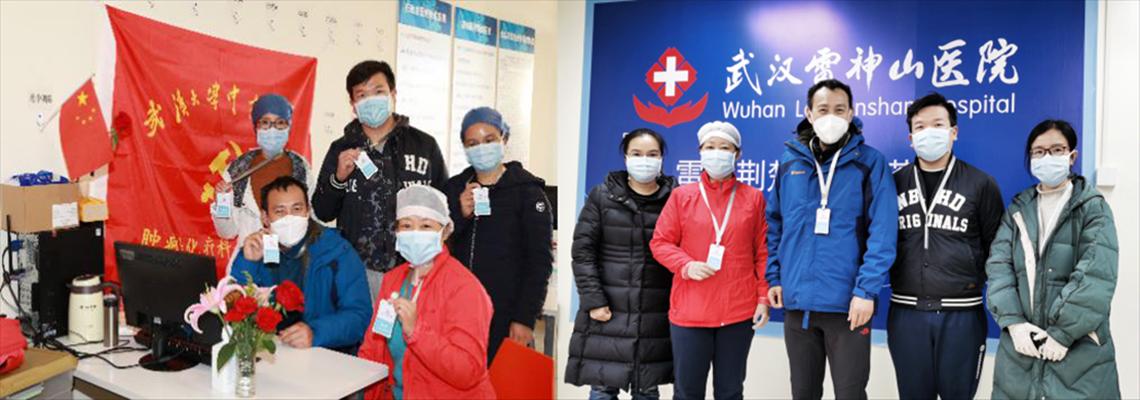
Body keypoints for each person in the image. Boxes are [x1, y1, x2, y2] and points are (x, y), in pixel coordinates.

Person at [764, 79, 898, 400]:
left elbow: (883, 232)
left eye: (840, 110)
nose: (831, 116)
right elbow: (775, 224)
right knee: (803, 393)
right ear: (809, 113)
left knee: (850, 394)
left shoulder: (870, 162)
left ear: (851, 113)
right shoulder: (789, 163)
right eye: (823, 109)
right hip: (798, 305)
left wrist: (866, 291)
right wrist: (775, 277)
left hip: (849, 306)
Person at [986, 119, 1119, 399]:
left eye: (1056, 149)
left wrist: (1062, 332)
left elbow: (1096, 275)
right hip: (1022, 349)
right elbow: (999, 268)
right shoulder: (1018, 210)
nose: (1047, 157)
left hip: (1078, 350)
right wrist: (1014, 322)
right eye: (1039, 151)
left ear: (1072, 155)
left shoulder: (1092, 208)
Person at [887, 92, 1005, 400]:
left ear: (954, 132)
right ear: (911, 138)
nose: (929, 132)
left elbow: (998, 250)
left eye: (938, 124)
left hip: (962, 315)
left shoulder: (981, 184)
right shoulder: (893, 183)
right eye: (920, 127)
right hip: (906, 312)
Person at [649, 121, 770, 400]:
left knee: (730, 392)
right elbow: (660, 242)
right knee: (687, 393)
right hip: (691, 312)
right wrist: (685, 265)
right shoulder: (682, 196)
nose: (717, 153)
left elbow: (762, 252)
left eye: (724, 148)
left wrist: (763, 297)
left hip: (738, 311)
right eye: (710, 147)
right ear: (700, 153)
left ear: (737, 154)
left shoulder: (753, 198)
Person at [311, 60, 448, 304]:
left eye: (378, 91)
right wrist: (338, 179)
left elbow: (443, 207)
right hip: (356, 271)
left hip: (412, 268)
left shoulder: (424, 145)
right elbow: (322, 211)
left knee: (409, 328)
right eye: (362, 95)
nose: (370, 100)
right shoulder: (341, 148)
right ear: (353, 104)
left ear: (393, 94)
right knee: (361, 327)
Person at [566, 128, 676, 400]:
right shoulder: (602, 196)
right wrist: (593, 300)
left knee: (647, 389)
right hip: (607, 311)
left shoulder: (676, 199)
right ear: (625, 157)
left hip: (654, 315)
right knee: (603, 389)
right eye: (637, 153)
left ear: (661, 158)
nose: (644, 160)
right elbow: (583, 252)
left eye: (652, 154)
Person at [358, 185, 496, 400]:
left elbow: (468, 371)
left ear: (445, 232)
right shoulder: (393, 280)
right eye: (406, 225)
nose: (415, 233)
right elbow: (374, 345)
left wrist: (417, 332)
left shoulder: (465, 288)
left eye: (426, 226)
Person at [443, 107, 553, 364]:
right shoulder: (454, 188)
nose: (481, 148)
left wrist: (524, 318)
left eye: (489, 139)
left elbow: (540, 262)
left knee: (500, 379)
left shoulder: (528, 192)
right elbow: (438, 245)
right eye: (473, 143)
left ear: (504, 139)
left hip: (505, 313)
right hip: (459, 309)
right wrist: (459, 214)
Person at [230, 176, 372, 351]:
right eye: (280, 211)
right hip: (270, 349)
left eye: (297, 209)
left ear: (307, 211)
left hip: (325, 353)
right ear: (265, 217)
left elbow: (359, 316)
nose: (289, 218)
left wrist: (316, 333)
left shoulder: (337, 251)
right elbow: (235, 309)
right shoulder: (256, 248)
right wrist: (248, 263)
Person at [211, 94, 310, 263]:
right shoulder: (237, 170)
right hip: (248, 263)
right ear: (255, 127)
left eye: (280, 123)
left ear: (288, 127)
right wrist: (222, 202)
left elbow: (310, 221)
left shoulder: (301, 168)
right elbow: (226, 232)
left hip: (290, 264)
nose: (272, 129)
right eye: (265, 122)